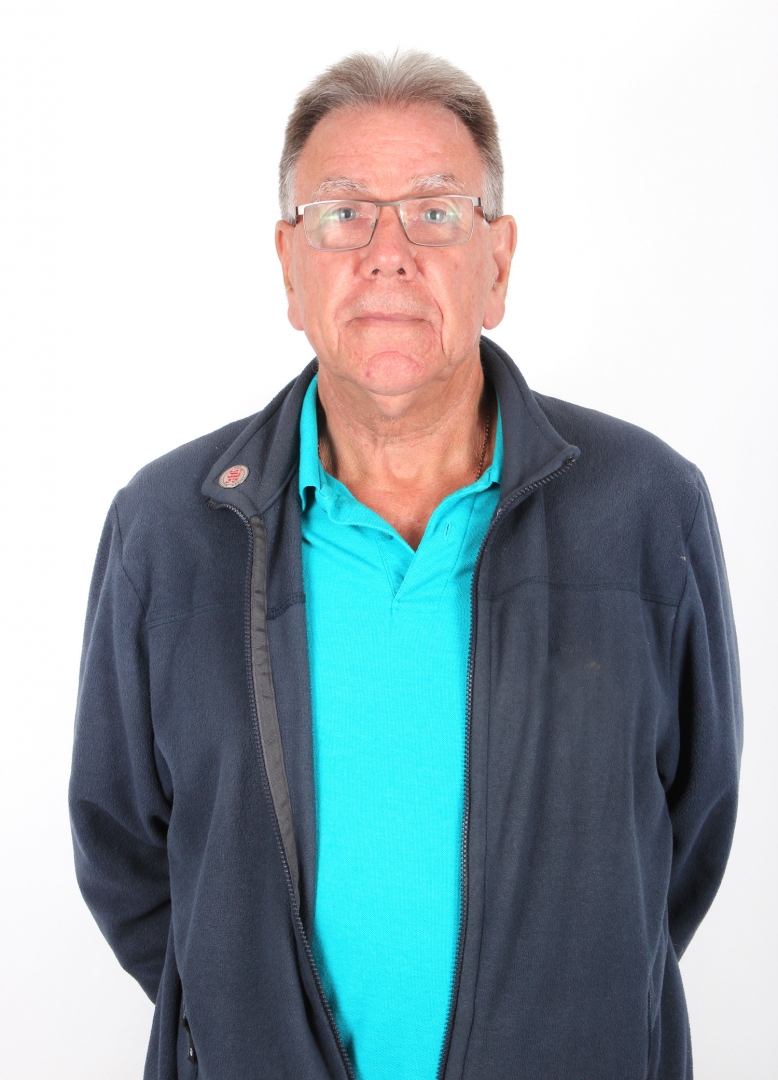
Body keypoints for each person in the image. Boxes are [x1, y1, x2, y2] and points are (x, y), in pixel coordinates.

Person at [69, 51, 742, 1080]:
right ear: (289, 267)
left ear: (497, 263)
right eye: (342, 214)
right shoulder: (167, 528)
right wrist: (248, 1019)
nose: (388, 254)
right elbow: (125, 849)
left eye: (435, 212)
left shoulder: (647, 509)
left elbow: (685, 836)